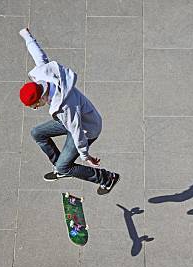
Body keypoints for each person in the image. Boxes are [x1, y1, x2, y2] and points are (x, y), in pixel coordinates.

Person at [18, 28, 119, 194]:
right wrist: (27, 36)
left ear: (41, 97)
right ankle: (61, 166)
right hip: (70, 121)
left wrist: (86, 157)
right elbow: (39, 56)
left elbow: (76, 131)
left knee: (65, 166)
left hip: (87, 127)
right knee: (37, 133)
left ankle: (106, 178)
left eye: (35, 105)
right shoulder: (44, 78)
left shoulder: (64, 105)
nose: (36, 108)